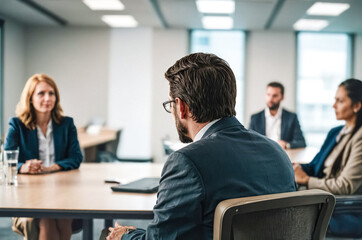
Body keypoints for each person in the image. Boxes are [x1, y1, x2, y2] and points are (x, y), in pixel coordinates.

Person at [105, 53, 296, 240]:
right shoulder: (278, 153)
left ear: (181, 107)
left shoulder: (186, 162)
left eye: (171, 104)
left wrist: (126, 236)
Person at [4, 74, 83, 240]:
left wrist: (50, 168)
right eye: (41, 93)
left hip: (61, 189)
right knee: (46, 217)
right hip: (29, 194)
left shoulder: (66, 124)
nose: (47, 98)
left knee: (63, 215)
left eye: (51, 93)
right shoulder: (17, 125)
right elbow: (6, 160)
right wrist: (22, 167)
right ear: (30, 98)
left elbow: (76, 157)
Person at [294, 79, 362, 195]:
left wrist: (306, 180)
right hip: (320, 195)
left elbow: (345, 186)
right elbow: (314, 166)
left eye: (340, 101)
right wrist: (294, 168)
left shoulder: (359, 137)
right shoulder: (335, 132)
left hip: (337, 203)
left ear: (356, 106)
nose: (333, 106)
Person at [249, 82, 306, 149]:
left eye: (275, 96)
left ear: (282, 97)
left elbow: (301, 142)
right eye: (268, 95)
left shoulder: (291, 117)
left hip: (283, 156)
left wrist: (286, 145)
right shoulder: (255, 118)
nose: (270, 99)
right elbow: (248, 141)